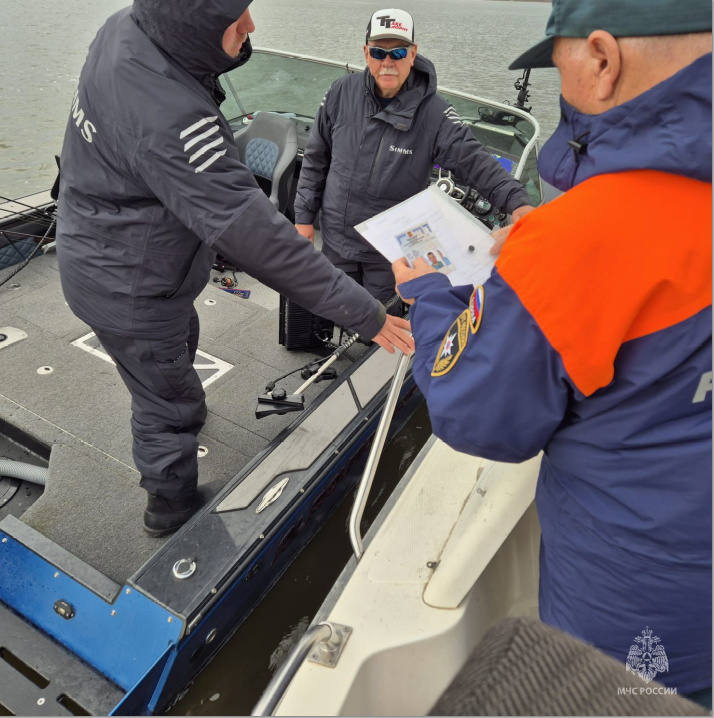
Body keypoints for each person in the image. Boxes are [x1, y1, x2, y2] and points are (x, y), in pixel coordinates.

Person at [393, 0, 712, 702]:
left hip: (637, 611)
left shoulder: (579, 240)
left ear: (601, 59)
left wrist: (431, 292)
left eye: (557, 65)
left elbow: (477, 413)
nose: (557, 91)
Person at [55, 0, 413, 538]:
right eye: (235, 18)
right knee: (165, 402)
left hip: (101, 244)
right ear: (195, 23)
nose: (251, 26)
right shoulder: (172, 116)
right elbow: (257, 236)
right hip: (128, 285)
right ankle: (170, 505)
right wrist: (368, 315)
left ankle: (180, 403)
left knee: (174, 346)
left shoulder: (124, 29)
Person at [293, 8, 534, 303]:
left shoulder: (435, 114)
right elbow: (316, 159)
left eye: (398, 53)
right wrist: (303, 219)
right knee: (336, 307)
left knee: (379, 322)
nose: (387, 63)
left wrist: (518, 203)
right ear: (366, 53)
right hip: (335, 239)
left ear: (413, 53)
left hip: (391, 255)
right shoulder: (340, 91)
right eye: (378, 52)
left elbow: (474, 160)